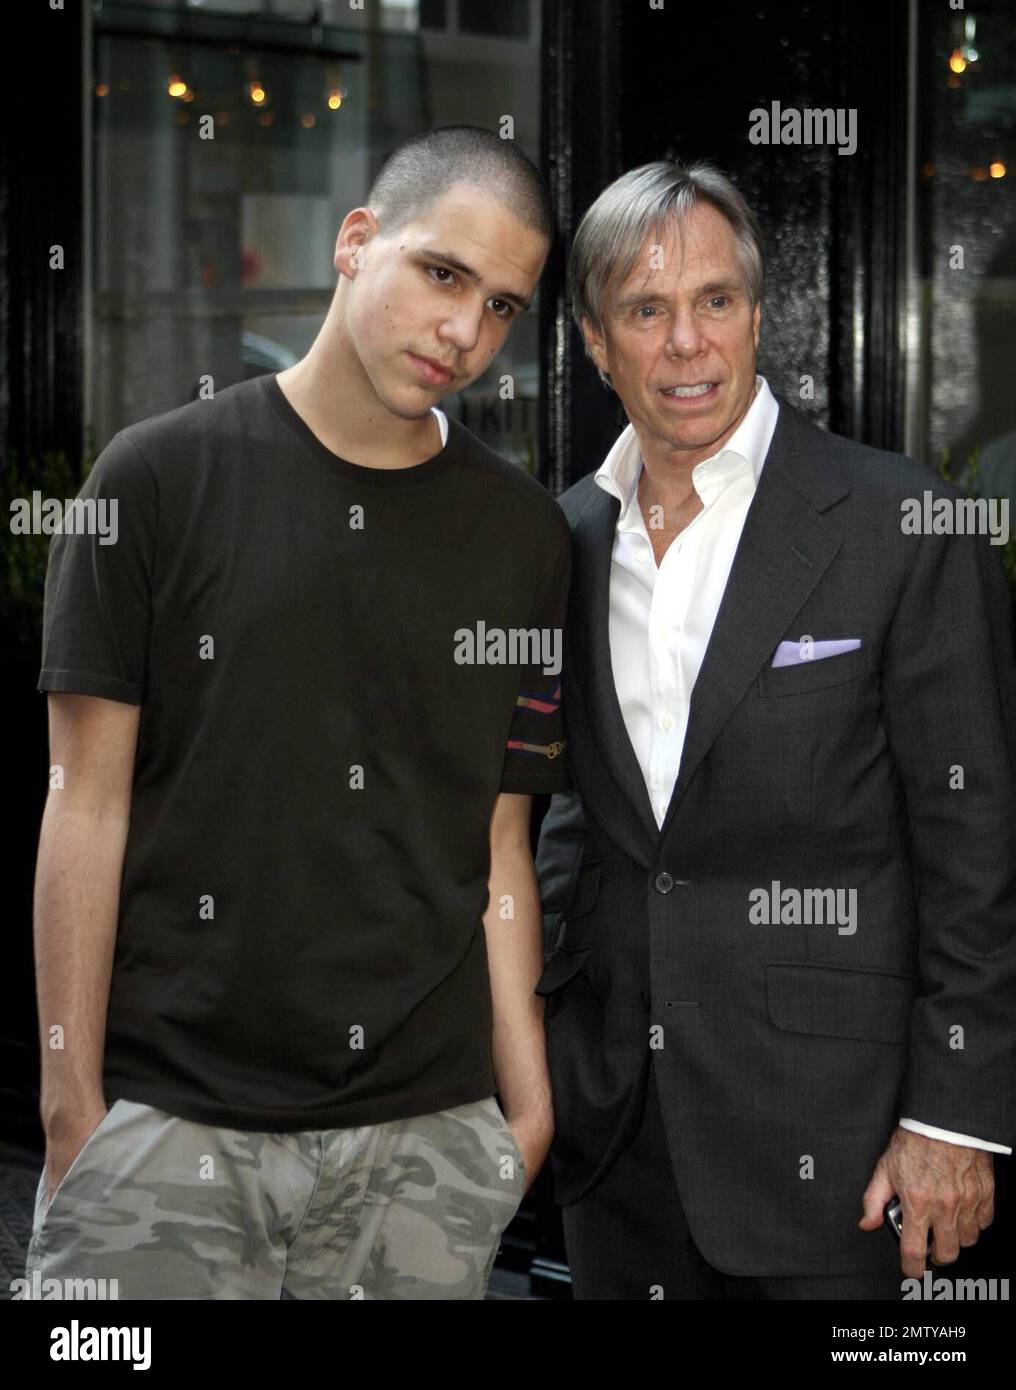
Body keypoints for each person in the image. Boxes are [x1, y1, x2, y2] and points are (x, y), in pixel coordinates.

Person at [27, 126, 569, 1300]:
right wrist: (73, 1114)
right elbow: (84, 806)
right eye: (442, 273)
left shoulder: (526, 537)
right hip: (166, 1128)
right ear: (354, 241)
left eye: (501, 307)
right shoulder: (151, 482)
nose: (464, 333)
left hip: (424, 1145)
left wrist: (520, 1115)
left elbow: (499, 845)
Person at [535, 159, 1016, 1300]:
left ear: (760, 313)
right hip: (615, 1147)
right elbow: (569, 825)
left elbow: (975, 847)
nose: (687, 343)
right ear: (597, 345)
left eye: (714, 301)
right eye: (645, 310)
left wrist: (953, 1113)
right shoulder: (558, 541)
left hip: (841, 1156)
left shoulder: (900, 522)